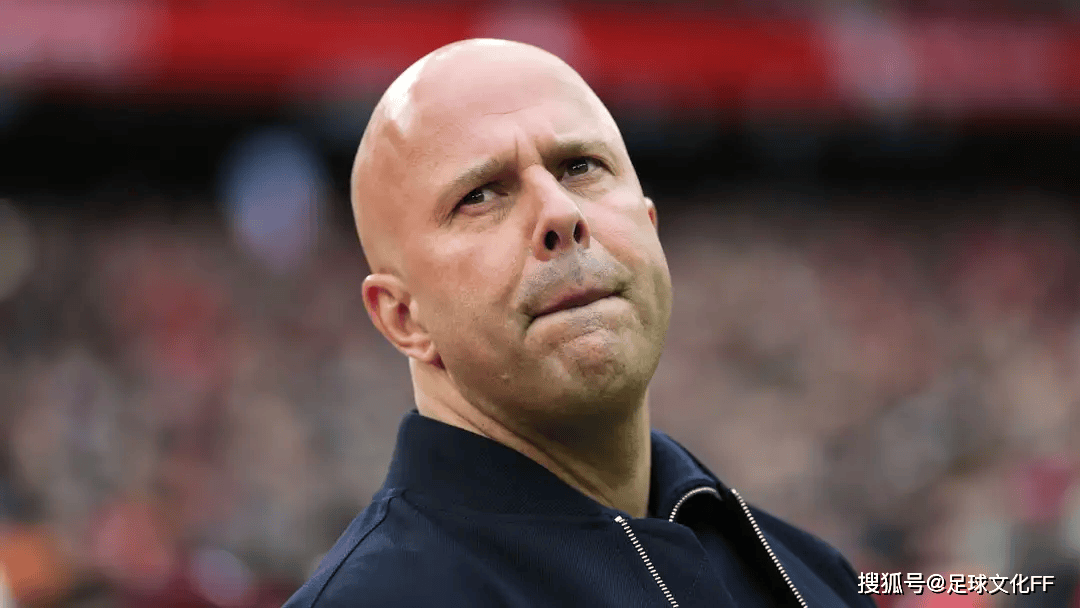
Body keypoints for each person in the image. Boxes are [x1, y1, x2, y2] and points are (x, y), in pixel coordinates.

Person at [283, 38, 875, 607]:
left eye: (580, 167)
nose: (561, 214)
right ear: (402, 317)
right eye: (481, 195)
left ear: (649, 226)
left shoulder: (814, 575)